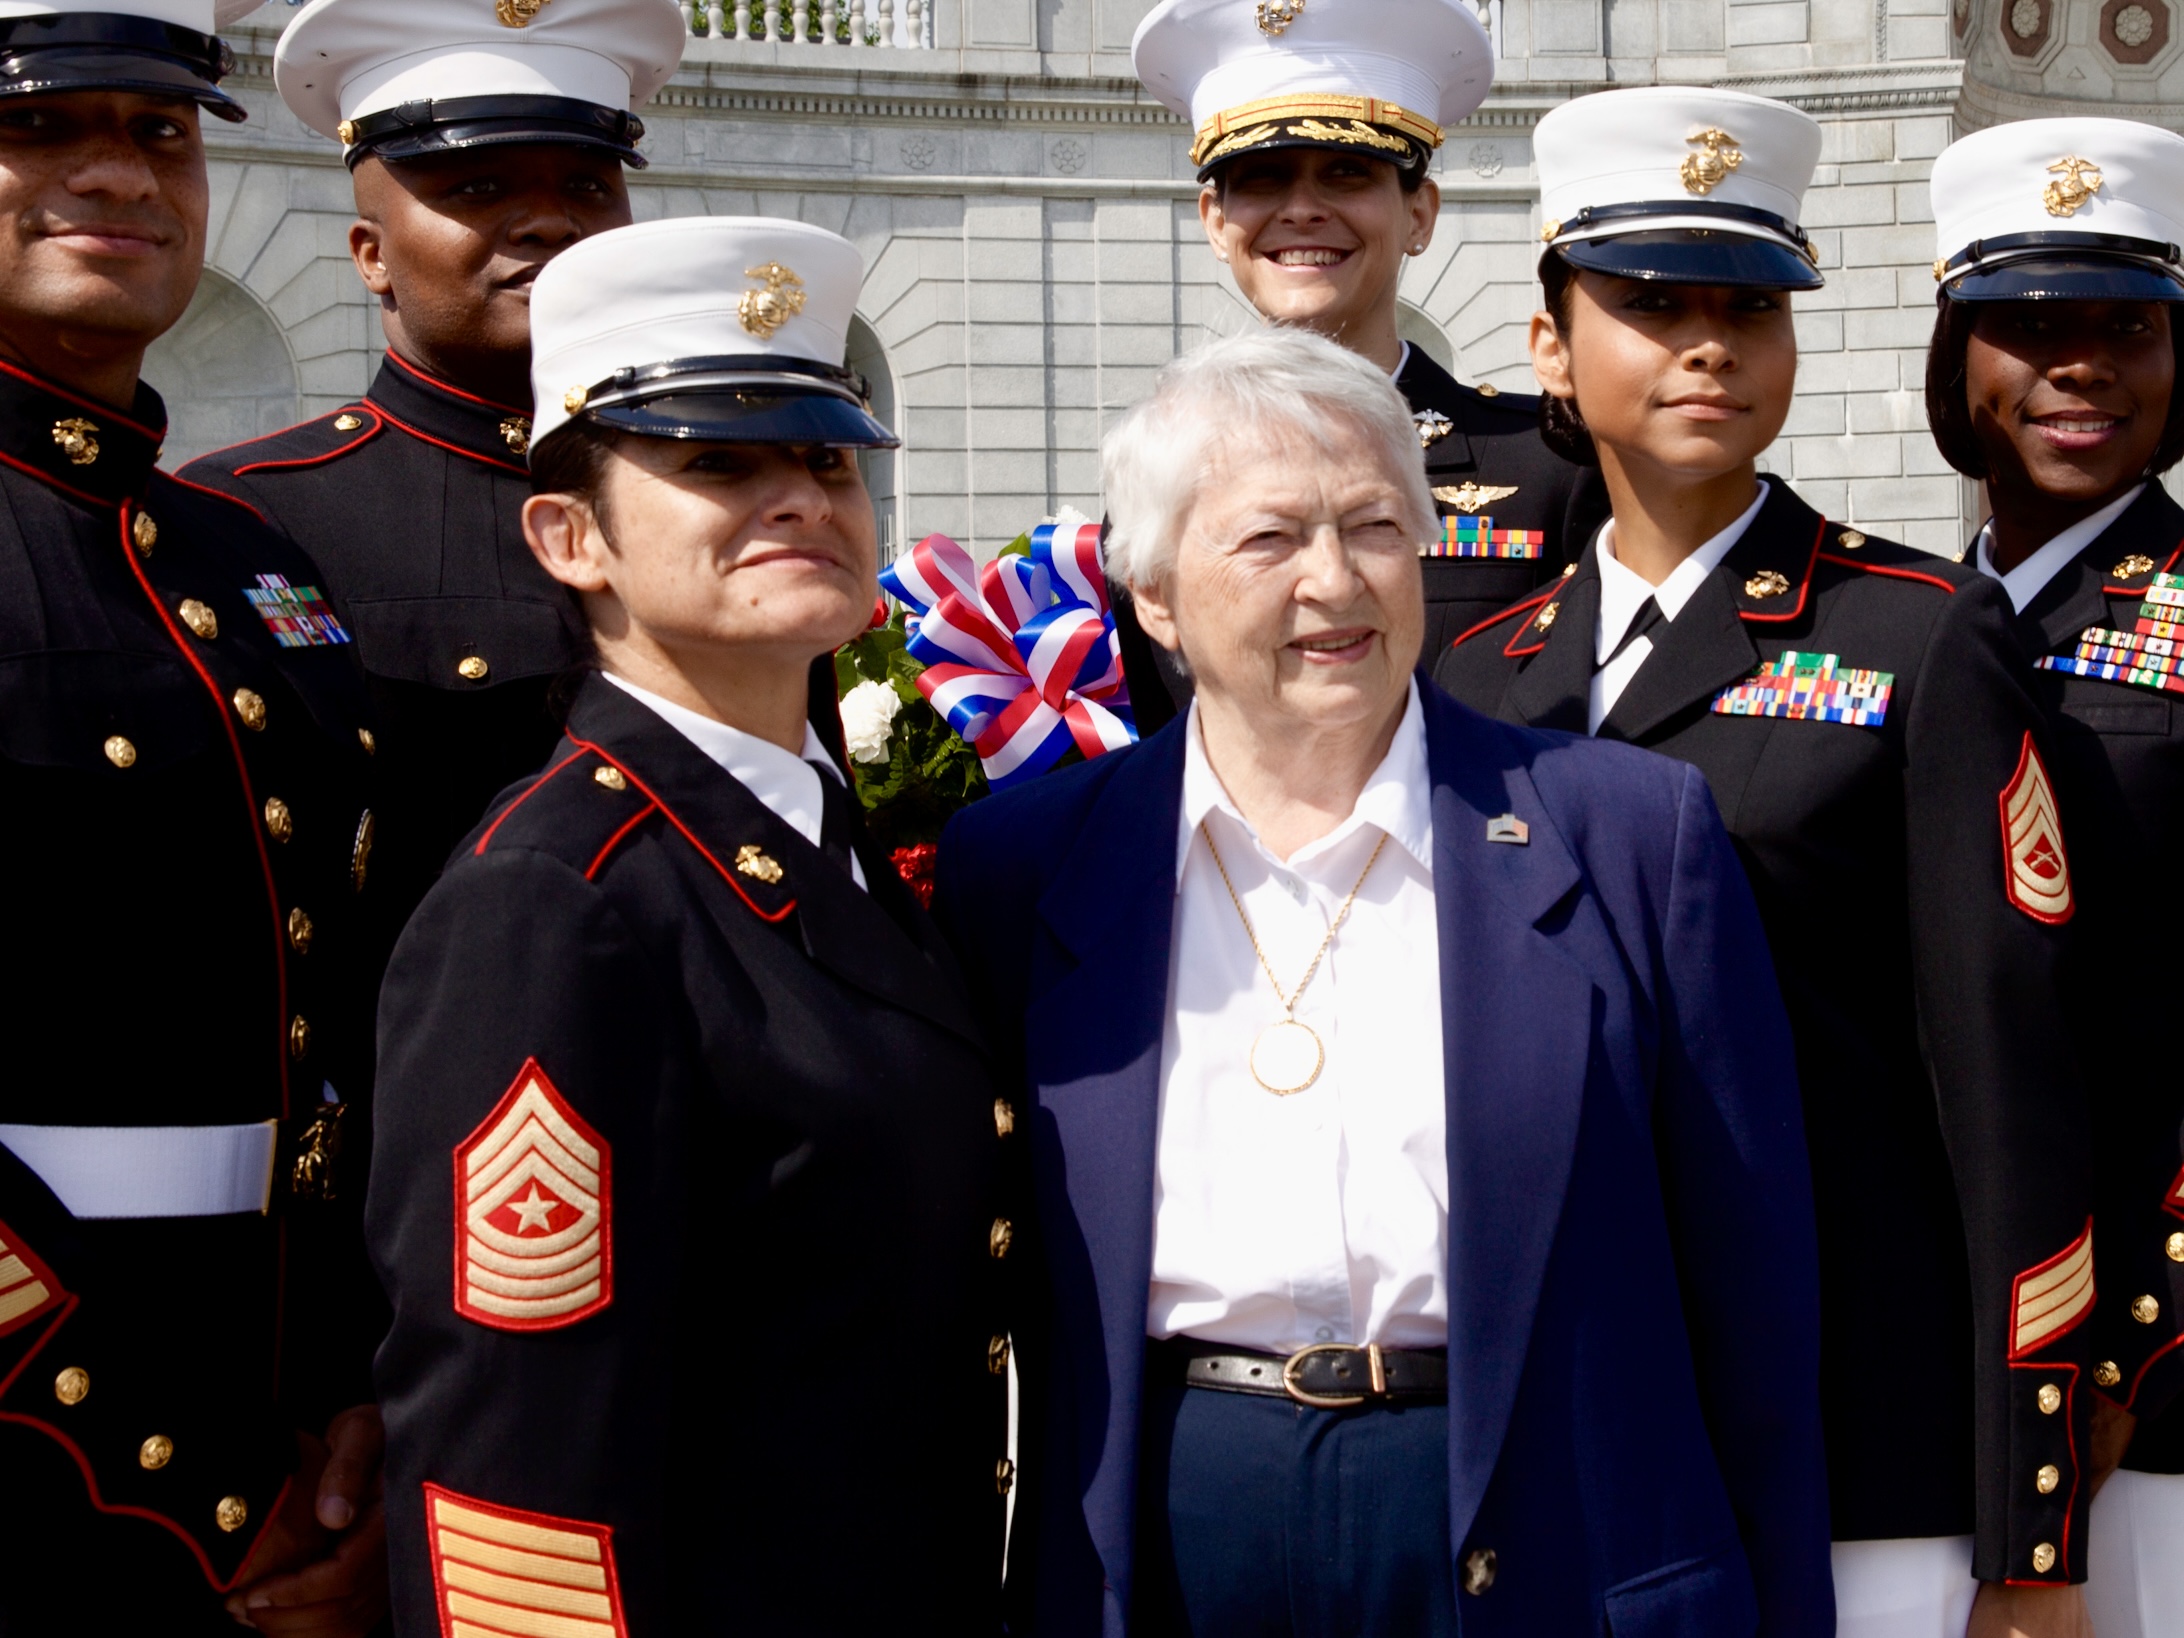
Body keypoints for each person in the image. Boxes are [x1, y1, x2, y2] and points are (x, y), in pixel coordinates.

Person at [938, 324, 1832, 1636]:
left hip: (1554, 1543)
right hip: (1179, 1540)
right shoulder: (1028, 863)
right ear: (1158, 594)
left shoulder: (1630, 833)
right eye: (1268, 537)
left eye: (1372, 525)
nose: (1334, 580)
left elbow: (1757, 1306)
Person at [1437, 87, 2097, 1638]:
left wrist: (2034, 1525)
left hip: (1860, 1429)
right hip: (1573, 1426)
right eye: (1651, 304)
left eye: (1748, 306)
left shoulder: (1921, 635)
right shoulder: (1473, 679)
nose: (1708, 345)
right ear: (1549, 347)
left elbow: (2015, 1084)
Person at [366, 216, 1014, 1635]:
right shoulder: (557, 902)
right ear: (571, 535)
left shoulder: (823, 842)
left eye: (828, 458)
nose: (799, 496)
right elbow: (511, 1455)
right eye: (718, 462)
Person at [0, 4, 389, 1633]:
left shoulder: (236, 559)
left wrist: (365, 1413)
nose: (123, 174)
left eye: (162, 133)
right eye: (49, 128)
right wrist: (183, 1483)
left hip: (300, 1457)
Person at [182, 0, 687, 938]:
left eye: (588, 184)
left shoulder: (710, 497)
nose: (547, 220)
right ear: (371, 256)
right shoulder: (242, 524)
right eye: (479, 186)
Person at [1924, 116, 2184, 1638]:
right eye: (2026, 328)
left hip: (2142, 1402)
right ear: (1958, 360)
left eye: (2125, 330)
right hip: (1945, 1366)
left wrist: (2123, 1355)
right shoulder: (1907, 623)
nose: (2075, 366)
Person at [1114, 0, 1610, 731]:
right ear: (1216, 223)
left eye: (1348, 173)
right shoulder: (1163, 479)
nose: (1303, 208)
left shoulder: (1552, 468)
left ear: (1420, 214)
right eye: (1261, 178)